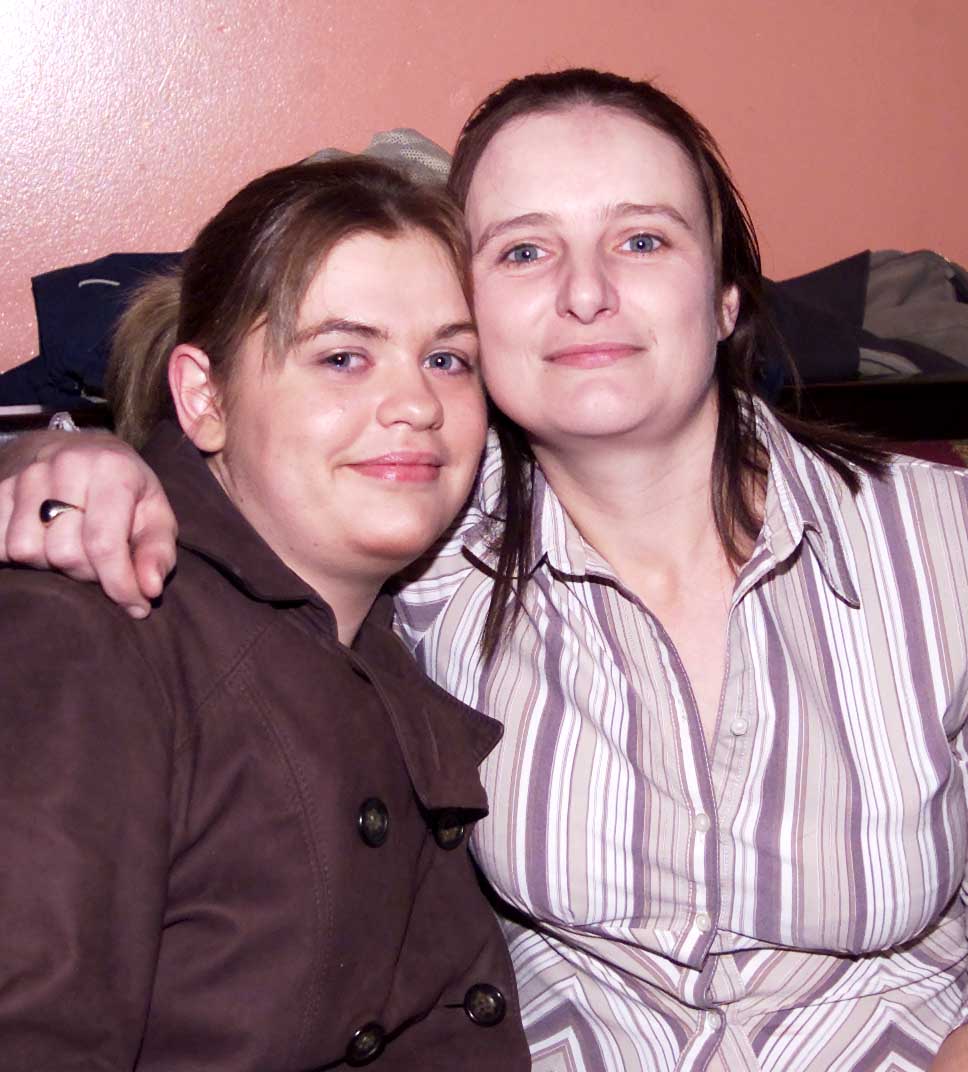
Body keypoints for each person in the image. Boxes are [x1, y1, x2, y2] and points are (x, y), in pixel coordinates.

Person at [3, 68, 967, 1071]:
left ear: (725, 297)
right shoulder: (420, 547)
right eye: (524, 250)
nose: (585, 292)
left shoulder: (941, 538)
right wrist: (57, 457)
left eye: (642, 240)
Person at [0, 156, 531, 1070]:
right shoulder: (94, 630)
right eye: (342, 357)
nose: (416, 404)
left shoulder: (389, 623)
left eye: (448, 359)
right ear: (203, 398)